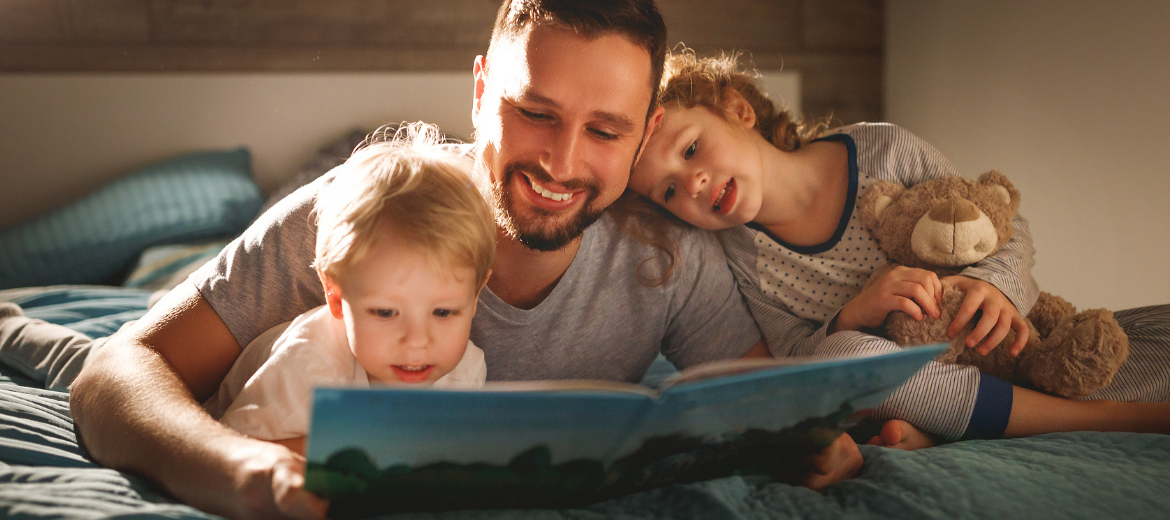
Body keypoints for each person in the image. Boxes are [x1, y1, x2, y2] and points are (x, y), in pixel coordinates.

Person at [63, 3, 863, 519]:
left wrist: (812, 439)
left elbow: (771, 405)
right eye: (535, 113)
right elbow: (112, 373)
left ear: (648, 127)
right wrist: (246, 473)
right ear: (481, 91)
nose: (562, 162)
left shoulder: (671, 254)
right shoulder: (375, 205)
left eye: (606, 131)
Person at [628, 49, 1170, 448]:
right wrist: (854, 313)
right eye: (669, 191)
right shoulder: (739, 256)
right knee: (850, 360)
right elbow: (797, 358)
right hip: (908, 379)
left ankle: (943, 431)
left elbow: (1004, 225)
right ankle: (1100, 419)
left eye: (691, 148)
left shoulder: (882, 148)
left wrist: (991, 284)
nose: (692, 184)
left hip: (1005, 339)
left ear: (737, 110)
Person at [211, 124, 494, 457]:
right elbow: (227, 454)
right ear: (335, 295)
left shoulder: (467, 371)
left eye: (443, 312)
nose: (417, 341)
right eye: (386, 312)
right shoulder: (307, 371)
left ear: (475, 298)